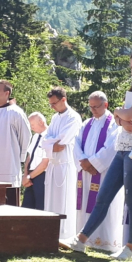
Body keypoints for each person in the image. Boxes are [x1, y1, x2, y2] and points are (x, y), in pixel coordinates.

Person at [58, 49, 132, 259]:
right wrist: (122, 117)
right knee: (103, 196)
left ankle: (130, 247)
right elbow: (123, 119)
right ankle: (81, 240)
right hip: (122, 148)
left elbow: (127, 114)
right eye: (131, 67)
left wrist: (122, 115)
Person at [70, 91, 119, 252]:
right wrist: (83, 162)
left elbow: (111, 148)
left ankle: (103, 242)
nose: (93, 110)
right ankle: (82, 238)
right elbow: (75, 144)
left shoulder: (113, 124)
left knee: (102, 202)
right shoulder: (86, 123)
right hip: (85, 172)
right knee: (84, 204)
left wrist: (93, 164)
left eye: (96, 107)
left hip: (103, 172)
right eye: (90, 107)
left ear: (105, 105)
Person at [42, 87, 82, 239]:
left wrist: (50, 143)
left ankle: (64, 234)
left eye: (54, 103)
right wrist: (51, 143)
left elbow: (62, 142)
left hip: (65, 163)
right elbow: (46, 139)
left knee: (63, 200)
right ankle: (50, 232)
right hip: (53, 163)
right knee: (51, 199)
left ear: (63, 99)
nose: (52, 107)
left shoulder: (73, 117)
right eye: (50, 104)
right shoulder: (54, 118)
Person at [0, 80, 31, 189]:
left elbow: (25, 136)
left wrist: (21, 157)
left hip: (8, 162)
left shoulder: (16, 113)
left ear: (7, 93)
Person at [21, 112, 49, 210]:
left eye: (32, 125)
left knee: (40, 208)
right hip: (30, 176)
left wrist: (29, 176)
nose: (31, 127)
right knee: (26, 207)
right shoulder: (36, 136)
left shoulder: (49, 136)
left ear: (41, 122)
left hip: (42, 176)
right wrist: (25, 175)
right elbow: (29, 156)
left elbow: (45, 163)